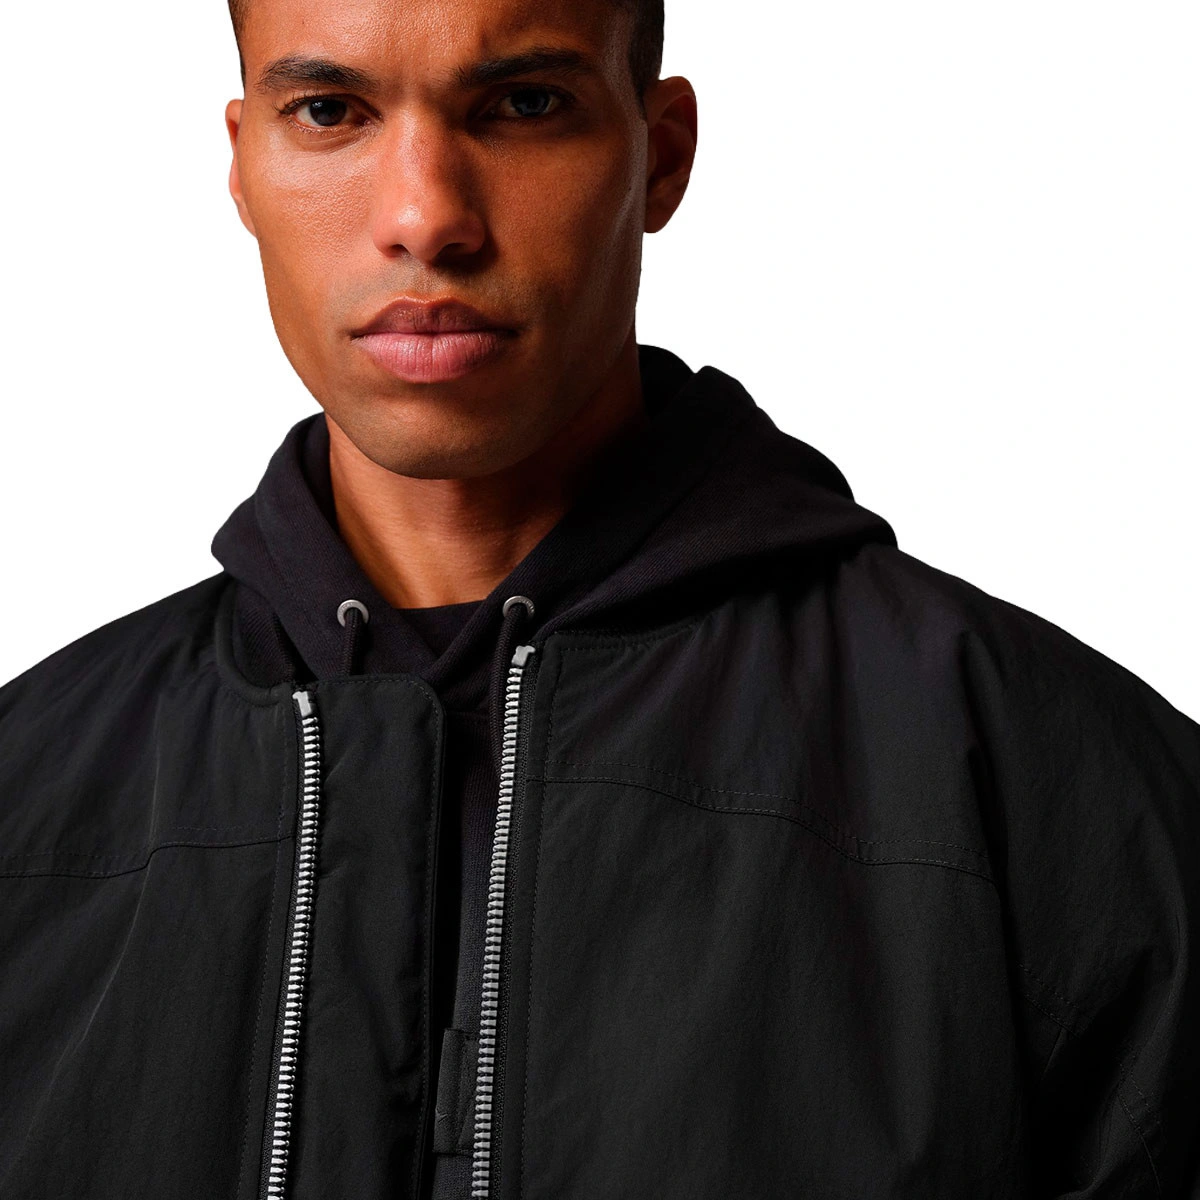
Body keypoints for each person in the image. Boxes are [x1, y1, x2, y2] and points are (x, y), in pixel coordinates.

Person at [0, 0, 1196, 1195]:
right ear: (243, 164)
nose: (424, 216)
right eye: (328, 111)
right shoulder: (28, 795)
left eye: (524, 105)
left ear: (660, 155)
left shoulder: (1056, 791)